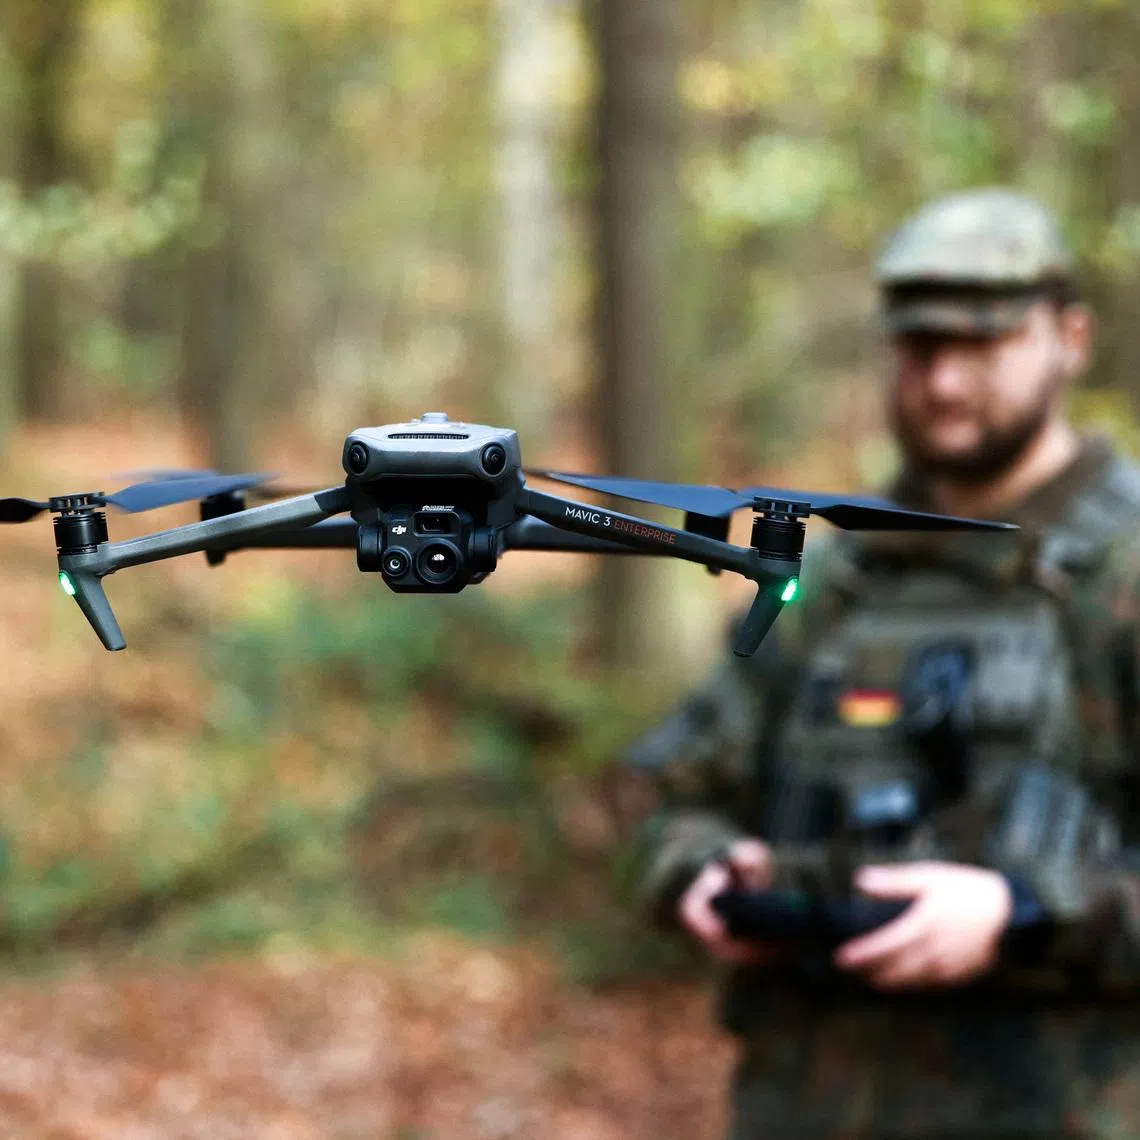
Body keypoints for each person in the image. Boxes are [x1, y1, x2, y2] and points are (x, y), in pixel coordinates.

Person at [632, 187, 1140, 1138]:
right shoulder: (831, 580)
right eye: (918, 348)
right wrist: (702, 871)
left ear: (1070, 339)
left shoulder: (1122, 574)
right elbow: (675, 791)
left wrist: (1028, 911)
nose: (943, 383)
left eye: (982, 346)